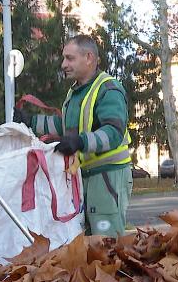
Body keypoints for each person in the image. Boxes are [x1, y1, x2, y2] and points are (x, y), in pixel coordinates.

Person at [16, 35, 132, 237]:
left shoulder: (108, 89)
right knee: (87, 243)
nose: (63, 64)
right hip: (84, 176)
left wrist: (79, 142)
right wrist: (31, 122)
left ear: (88, 57)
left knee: (107, 244)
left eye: (69, 58)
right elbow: (65, 127)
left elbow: (113, 132)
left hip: (107, 177)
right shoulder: (76, 93)